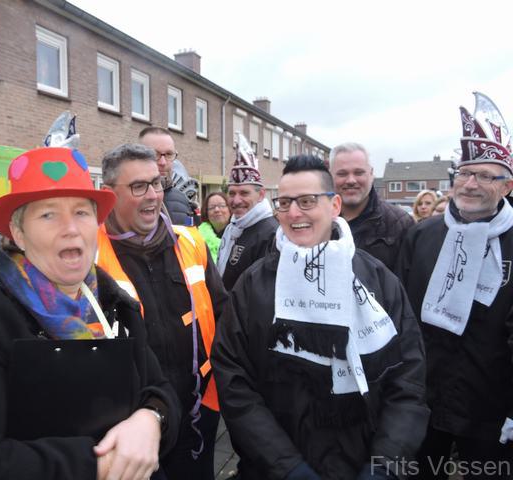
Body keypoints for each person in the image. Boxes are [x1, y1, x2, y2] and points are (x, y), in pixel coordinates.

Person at [0, 145, 180, 479]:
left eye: (81, 212)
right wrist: (99, 464)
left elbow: (161, 390)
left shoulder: (116, 305)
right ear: (19, 233)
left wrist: (151, 419)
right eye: (48, 215)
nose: (71, 228)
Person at [212, 154, 429, 480]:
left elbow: (408, 376)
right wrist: (287, 467)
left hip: (365, 462)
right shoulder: (252, 285)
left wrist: (386, 463)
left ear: (334, 205)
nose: (293, 213)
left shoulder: (377, 279)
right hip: (275, 470)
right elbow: (234, 381)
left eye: (307, 201)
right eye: (284, 203)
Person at [396, 92, 513, 477]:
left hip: (491, 412)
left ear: (507, 186)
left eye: (485, 175)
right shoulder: (423, 235)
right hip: (424, 402)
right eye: (464, 173)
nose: (470, 184)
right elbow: (400, 315)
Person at [97, 143, 228, 480]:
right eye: (139, 186)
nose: (153, 195)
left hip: (198, 411)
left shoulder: (191, 242)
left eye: (156, 183)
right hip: (132, 426)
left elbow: (222, 314)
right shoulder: (90, 255)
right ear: (108, 195)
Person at [330, 142, 413, 271]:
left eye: (359, 173)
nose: (351, 180)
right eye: (342, 174)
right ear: (330, 176)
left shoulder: (401, 224)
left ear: (371, 174)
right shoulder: (317, 222)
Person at [217, 134, 278, 290]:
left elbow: (262, 293)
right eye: (232, 193)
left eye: (244, 193)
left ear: (261, 195)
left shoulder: (271, 234)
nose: (236, 200)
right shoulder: (232, 227)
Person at [139, 127, 196, 225]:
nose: (163, 162)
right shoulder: (123, 198)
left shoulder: (182, 200)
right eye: (154, 154)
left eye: (169, 154)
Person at [199, 191, 231, 262]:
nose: (217, 210)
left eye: (222, 206)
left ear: (230, 209)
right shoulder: (197, 237)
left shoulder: (239, 234)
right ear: (206, 212)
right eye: (211, 207)